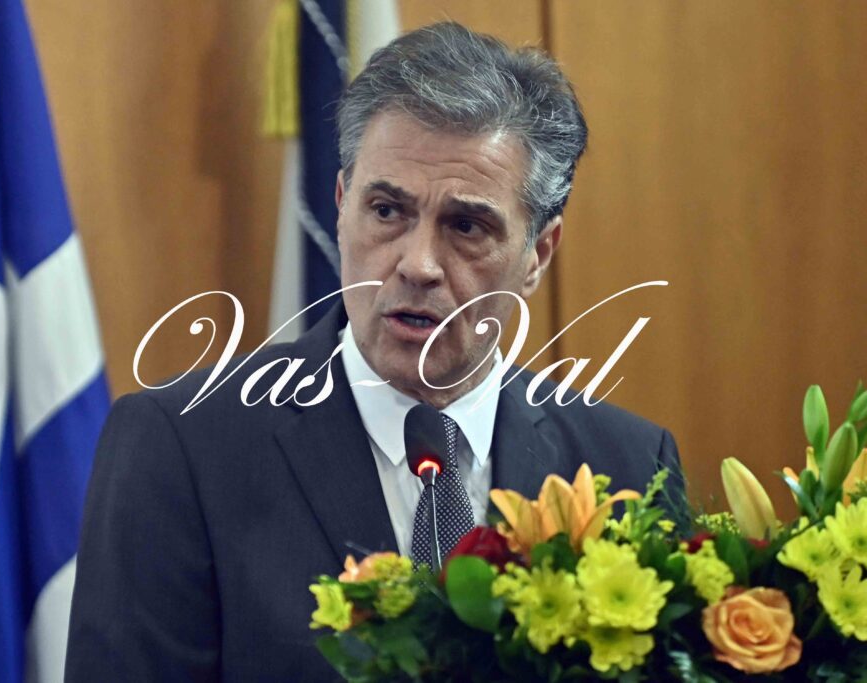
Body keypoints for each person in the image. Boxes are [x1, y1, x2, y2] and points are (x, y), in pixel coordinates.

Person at [65, 22, 686, 682]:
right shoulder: (183, 445)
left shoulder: (627, 464)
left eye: (466, 225)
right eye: (387, 211)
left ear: (538, 252)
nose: (418, 264)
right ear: (341, 208)